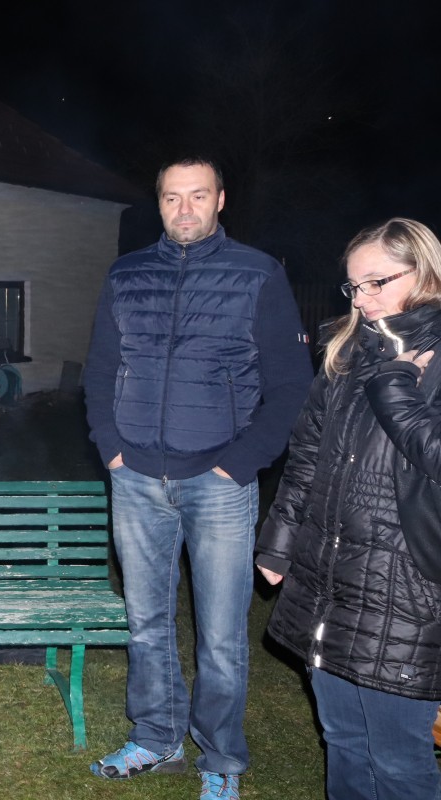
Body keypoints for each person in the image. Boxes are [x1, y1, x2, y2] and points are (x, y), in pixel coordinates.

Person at [83, 157, 313, 799]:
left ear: (220, 200)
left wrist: (240, 462)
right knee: (145, 621)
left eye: (198, 196)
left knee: (220, 635)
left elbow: (292, 385)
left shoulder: (257, 273)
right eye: (171, 197)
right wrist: (111, 449)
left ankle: (221, 759)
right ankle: (157, 737)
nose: (184, 209)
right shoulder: (127, 273)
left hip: (219, 482)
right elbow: (99, 369)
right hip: (136, 478)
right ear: (158, 203)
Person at [256, 218, 441, 800]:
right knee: (341, 738)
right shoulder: (348, 352)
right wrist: (278, 544)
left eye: (376, 283)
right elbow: (307, 456)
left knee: (398, 759)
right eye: (354, 286)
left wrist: (396, 388)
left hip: (406, 591)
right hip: (328, 580)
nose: (361, 300)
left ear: (425, 273)